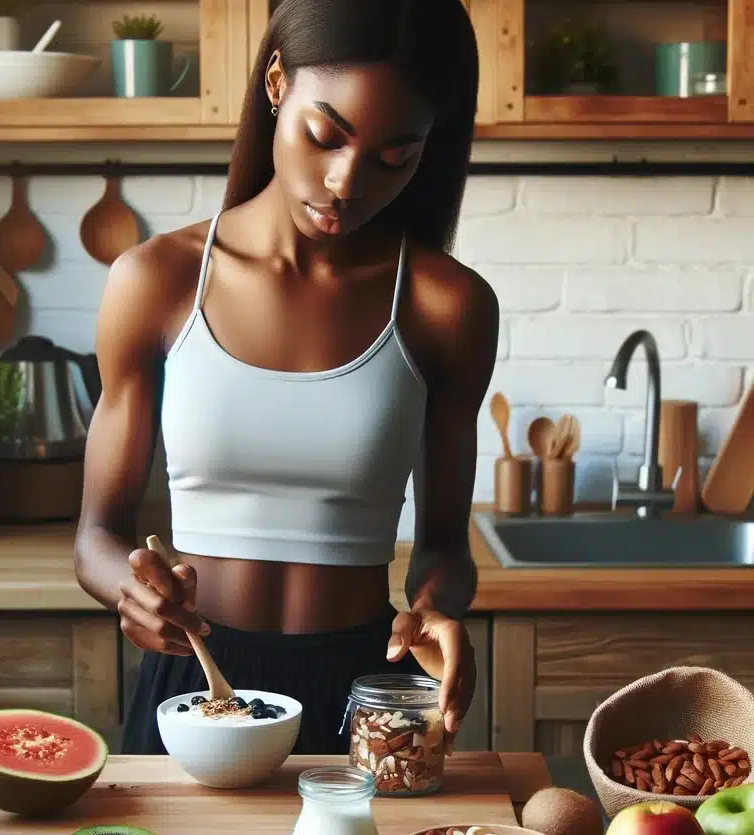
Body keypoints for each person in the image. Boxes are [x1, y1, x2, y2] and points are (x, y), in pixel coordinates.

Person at [74, 0, 499, 756]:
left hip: (364, 691)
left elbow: (443, 550)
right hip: (196, 684)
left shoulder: (446, 306)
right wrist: (128, 589)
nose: (345, 181)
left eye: (395, 156)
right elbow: (96, 537)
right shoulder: (156, 281)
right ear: (276, 81)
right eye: (325, 135)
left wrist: (436, 608)